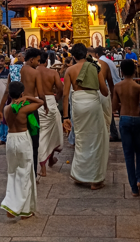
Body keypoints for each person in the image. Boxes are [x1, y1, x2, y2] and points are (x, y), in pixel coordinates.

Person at [63, 43, 109, 190]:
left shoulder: (70, 70)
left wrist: (65, 117)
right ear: (86, 54)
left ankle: (80, 175)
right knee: (96, 140)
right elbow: (105, 92)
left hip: (78, 105)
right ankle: (95, 180)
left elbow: (65, 95)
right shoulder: (95, 68)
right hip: (93, 104)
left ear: (73, 56)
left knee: (81, 140)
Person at [1, 81, 43, 218]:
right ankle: (19, 208)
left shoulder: (6, 109)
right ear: (21, 93)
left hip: (11, 139)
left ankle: (16, 206)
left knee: (12, 172)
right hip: (23, 139)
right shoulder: (24, 109)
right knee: (25, 174)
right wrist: (27, 98)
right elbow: (40, 102)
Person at [112, 59, 140, 196]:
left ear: (121, 71)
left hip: (124, 119)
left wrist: (123, 104)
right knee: (139, 151)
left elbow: (114, 107)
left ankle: (133, 188)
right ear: (134, 71)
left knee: (128, 154)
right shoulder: (139, 88)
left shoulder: (117, 87)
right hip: (137, 119)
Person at [20, 48, 47, 179]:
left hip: (19, 107)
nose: (38, 63)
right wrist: (45, 105)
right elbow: (41, 94)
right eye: (37, 60)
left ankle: (23, 171)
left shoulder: (19, 70)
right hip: (31, 108)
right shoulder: (35, 73)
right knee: (34, 141)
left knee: (22, 140)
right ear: (31, 60)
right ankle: (33, 173)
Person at [37, 52, 63, 177]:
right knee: (52, 132)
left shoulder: (32, 72)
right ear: (46, 60)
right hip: (50, 102)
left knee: (41, 134)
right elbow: (60, 88)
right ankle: (44, 165)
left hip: (36, 102)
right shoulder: (53, 73)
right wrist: (56, 98)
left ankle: (47, 163)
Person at [95, 45, 121, 141]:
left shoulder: (101, 63)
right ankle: (115, 132)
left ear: (96, 55)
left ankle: (112, 133)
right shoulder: (108, 61)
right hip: (113, 86)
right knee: (109, 112)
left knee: (109, 112)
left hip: (106, 89)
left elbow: (108, 81)